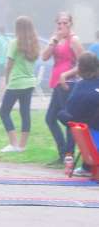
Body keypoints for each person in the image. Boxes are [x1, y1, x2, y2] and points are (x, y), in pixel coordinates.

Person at [41, 12, 83, 167]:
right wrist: (54, 40)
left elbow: (83, 64)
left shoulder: (74, 40)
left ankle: (68, 155)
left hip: (69, 84)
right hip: (56, 83)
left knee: (67, 119)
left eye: (65, 23)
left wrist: (66, 74)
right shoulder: (56, 39)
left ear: (71, 24)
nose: (61, 26)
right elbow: (44, 57)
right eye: (59, 23)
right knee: (50, 118)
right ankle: (63, 153)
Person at [0, 16, 40, 152]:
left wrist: (5, 81)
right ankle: (22, 146)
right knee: (25, 113)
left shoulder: (14, 43)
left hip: (16, 82)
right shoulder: (34, 44)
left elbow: (9, 65)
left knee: (4, 111)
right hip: (30, 83)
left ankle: (13, 143)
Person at [57, 52, 99, 176]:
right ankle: (86, 167)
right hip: (93, 130)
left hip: (87, 132)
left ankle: (86, 166)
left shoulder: (80, 86)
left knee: (66, 116)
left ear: (80, 69)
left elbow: (70, 112)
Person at [0, 26, 9, 96]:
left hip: (0, 61)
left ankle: (2, 96)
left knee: (2, 79)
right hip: (9, 61)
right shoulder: (9, 39)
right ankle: (7, 94)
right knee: (7, 79)